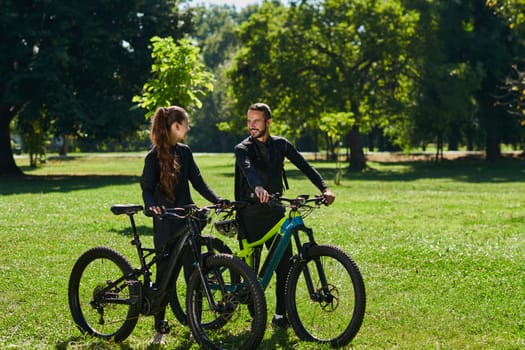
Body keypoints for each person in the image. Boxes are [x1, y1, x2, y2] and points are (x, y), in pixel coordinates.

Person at [234, 102, 335, 329]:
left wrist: (325, 188)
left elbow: (305, 166)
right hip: (250, 213)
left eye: (257, 121)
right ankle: (255, 315)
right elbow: (248, 169)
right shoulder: (242, 148)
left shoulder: (281, 145)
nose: (252, 126)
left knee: (285, 266)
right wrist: (258, 188)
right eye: (249, 121)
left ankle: (281, 315)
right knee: (252, 269)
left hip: (276, 211)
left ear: (268, 122)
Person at [141, 106, 226, 345]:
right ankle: (160, 327)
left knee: (194, 275)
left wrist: (217, 200)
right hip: (166, 223)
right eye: (186, 124)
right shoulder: (153, 156)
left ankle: (195, 326)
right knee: (164, 277)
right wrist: (151, 207)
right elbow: (146, 188)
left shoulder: (185, 153)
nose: (188, 128)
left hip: (188, 221)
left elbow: (198, 182)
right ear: (176, 126)